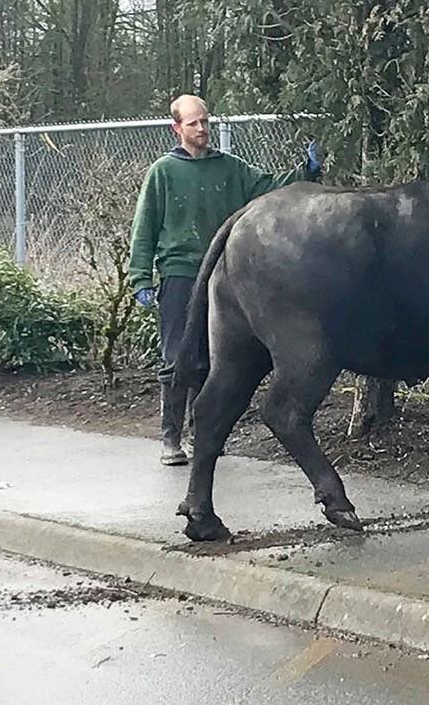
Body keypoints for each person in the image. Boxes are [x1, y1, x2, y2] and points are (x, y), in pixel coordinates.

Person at [128, 94, 324, 465]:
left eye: (205, 121)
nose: (202, 129)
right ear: (177, 128)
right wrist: (140, 277)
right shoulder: (164, 172)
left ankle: (199, 434)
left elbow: (269, 186)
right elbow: (145, 228)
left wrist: (307, 170)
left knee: (211, 360)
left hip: (220, 273)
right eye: (193, 123)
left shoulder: (229, 168)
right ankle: (170, 437)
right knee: (178, 355)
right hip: (181, 273)